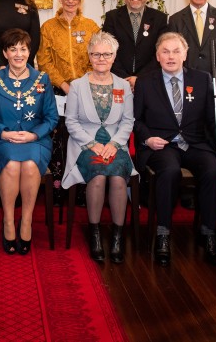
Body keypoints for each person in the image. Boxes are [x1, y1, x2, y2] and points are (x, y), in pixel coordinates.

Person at [133, 32, 216, 267]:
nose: (171, 56)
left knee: (212, 171)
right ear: (157, 56)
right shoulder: (146, 81)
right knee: (169, 171)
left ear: (185, 54)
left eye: (176, 51)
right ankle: (163, 233)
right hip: (162, 144)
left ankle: (208, 233)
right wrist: (147, 139)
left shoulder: (203, 79)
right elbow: (135, 120)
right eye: (165, 51)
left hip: (196, 144)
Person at [62, 32, 135, 263]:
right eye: (96, 54)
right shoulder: (77, 85)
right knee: (99, 176)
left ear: (114, 57)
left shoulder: (123, 86)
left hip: (116, 145)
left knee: (117, 178)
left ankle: (117, 235)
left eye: (106, 54)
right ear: (89, 56)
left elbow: (128, 121)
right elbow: (70, 121)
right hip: (85, 145)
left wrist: (114, 144)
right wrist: (92, 144)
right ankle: (94, 233)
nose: (101, 58)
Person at [0, 29, 58, 255]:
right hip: (1, 140)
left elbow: (52, 118)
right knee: (13, 163)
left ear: (29, 51)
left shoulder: (42, 79)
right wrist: (4, 133)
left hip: (37, 140)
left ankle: (25, 221)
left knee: (28, 164)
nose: (18, 54)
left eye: (23, 49)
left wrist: (34, 135)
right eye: (13, 49)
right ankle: (8, 220)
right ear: (5, 53)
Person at [37, 0, 100, 204]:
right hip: (57, 92)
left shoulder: (91, 26)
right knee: (59, 139)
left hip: (87, 90)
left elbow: (98, 56)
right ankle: (58, 192)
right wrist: (65, 85)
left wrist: (83, 84)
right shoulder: (49, 27)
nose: (70, 1)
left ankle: (83, 193)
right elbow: (43, 61)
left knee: (83, 138)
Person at [102, 0, 168, 92]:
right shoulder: (112, 17)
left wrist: (139, 78)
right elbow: (107, 50)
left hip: (150, 82)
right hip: (117, 81)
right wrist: (125, 79)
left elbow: (161, 52)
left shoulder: (160, 19)